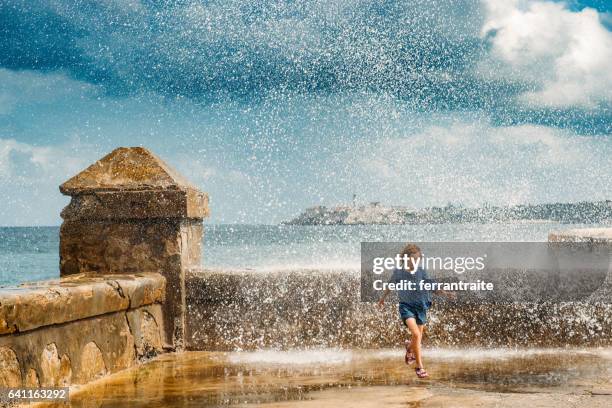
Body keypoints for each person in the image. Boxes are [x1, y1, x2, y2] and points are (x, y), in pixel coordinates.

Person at [378, 244, 453, 379]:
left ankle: (409, 347)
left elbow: (432, 286)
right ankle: (419, 367)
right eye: (414, 258)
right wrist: (382, 298)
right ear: (406, 258)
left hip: (421, 306)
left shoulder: (422, 271)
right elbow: (390, 285)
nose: (416, 261)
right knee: (416, 334)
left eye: (418, 259)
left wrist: (445, 293)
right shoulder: (399, 272)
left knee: (417, 339)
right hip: (406, 306)